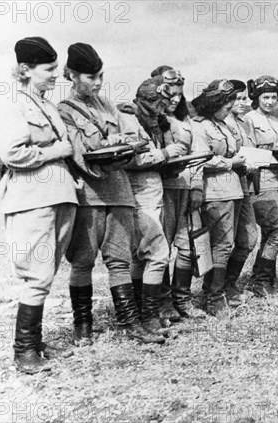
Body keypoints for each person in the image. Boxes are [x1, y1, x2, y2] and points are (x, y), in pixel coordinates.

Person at [59, 43, 164, 344]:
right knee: (83, 260)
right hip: (89, 193)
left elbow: (132, 138)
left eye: (100, 76)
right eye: (90, 77)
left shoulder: (108, 106)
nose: (97, 83)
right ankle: (83, 326)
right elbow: (79, 153)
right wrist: (109, 147)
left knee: (119, 258)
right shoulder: (64, 112)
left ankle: (130, 323)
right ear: (71, 75)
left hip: (118, 190)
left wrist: (121, 143)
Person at [0, 37, 79, 374]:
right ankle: (24, 350)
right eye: (50, 69)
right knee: (37, 275)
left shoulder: (47, 105)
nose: (56, 75)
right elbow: (12, 153)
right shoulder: (13, 104)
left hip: (59, 195)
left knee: (49, 272)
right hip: (31, 198)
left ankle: (36, 342)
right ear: (25, 70)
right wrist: (53, 153)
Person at [117, 76, 188, 335]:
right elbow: (126, 158)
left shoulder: (151, 122)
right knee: (158, 254)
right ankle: (148, 315)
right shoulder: (128, 119)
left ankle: (141, 311)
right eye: (160, 103)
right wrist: (166, 154)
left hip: (151, 190)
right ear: (148, 101)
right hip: (138, 193)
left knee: (141, 256)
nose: (163, 108)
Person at [152, 66, 207, 320]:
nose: (175, 99)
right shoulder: (149, 119)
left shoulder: (186, 120)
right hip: (161, 188)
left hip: (186, 186)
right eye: (169, 94)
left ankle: (182, 299)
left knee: (187, 246)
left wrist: (196, 187)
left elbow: (199, 154)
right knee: (160, 247)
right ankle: (162, 302)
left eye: (179, 94)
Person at [190, 79, 246, 317]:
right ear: (214, 104)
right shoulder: (199, 126)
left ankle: (216, 291)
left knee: (226, 244)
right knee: (220, 245)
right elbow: (201, 158)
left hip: (233, 190)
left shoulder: (223, 125)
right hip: (214, 191)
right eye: (226, 104)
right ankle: (213, 297)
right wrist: (229, 163)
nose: (230, 108)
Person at [243, 75, 278, 296]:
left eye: (273, 97)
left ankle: (262, 277)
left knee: (271, 232)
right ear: (256, 97)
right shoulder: (250, 120)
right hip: (261, 182)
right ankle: (261, 280)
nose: (270, 102)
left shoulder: (276, 120)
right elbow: (248, 154)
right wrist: (273, 156)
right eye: (265, 97)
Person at [223, 79, 258, 304]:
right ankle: (218, 288)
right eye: (239, 98)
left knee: (248, 237)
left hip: (243, 185)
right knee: (224, 242)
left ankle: (229, 283)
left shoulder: (242, 123)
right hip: (226, 187)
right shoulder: (223, 123)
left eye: (245, 98)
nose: (244, 102)